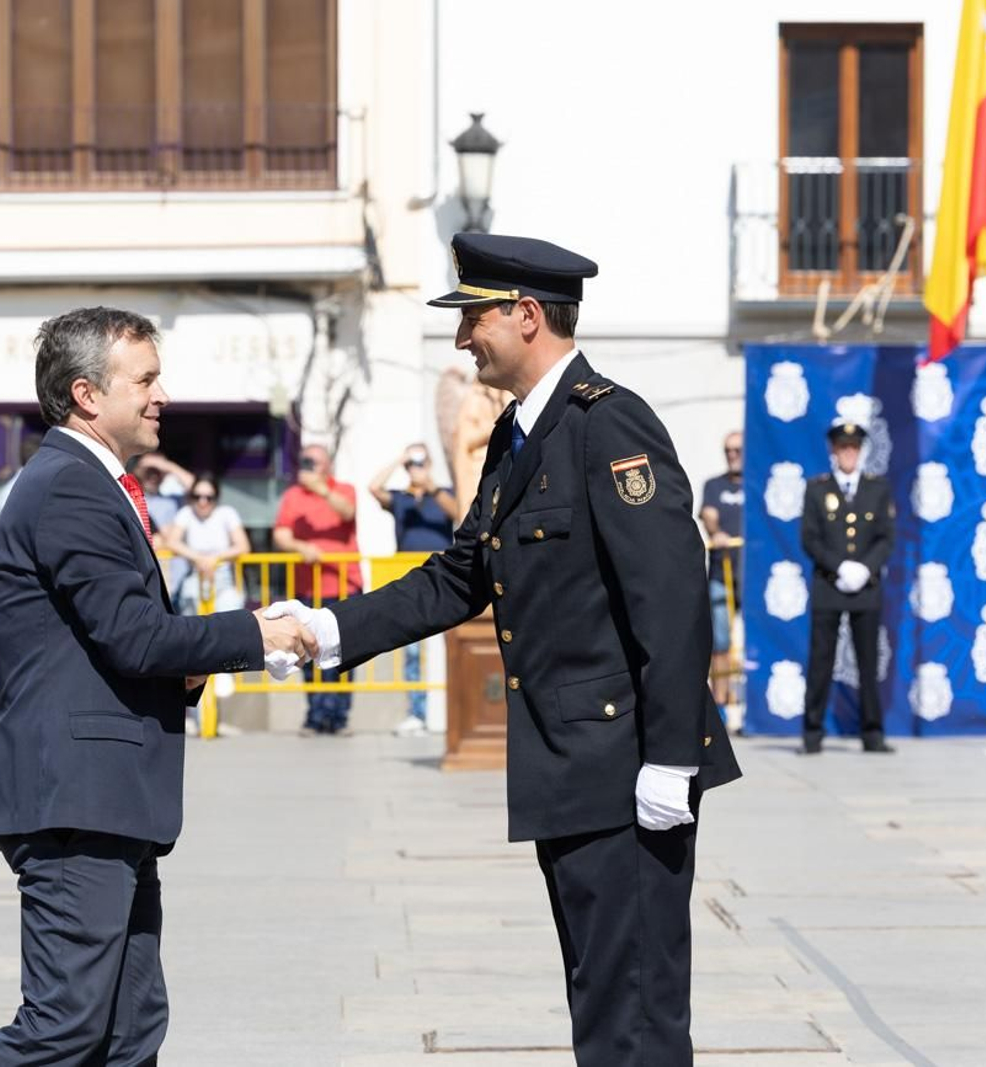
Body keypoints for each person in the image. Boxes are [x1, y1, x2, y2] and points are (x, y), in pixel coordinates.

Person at [268, 233, 742, 1066]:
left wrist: (671, 758)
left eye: (473, 318)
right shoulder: (521, 437)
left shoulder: (608, 422)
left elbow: (669, 598)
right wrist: (331, 627)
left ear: (526, 316)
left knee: (635, 1006)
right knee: (601, 994)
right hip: (574, 763)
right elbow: (461, 575)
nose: (461, 340)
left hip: (625, 764)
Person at [0, 305, 316, 1066]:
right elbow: (134, 635)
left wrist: (197, 661)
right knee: (63, 1026)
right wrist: (257, 633)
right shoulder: (68, 484)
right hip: (75, 800)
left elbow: (105, 642)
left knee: (129, 1031)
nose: (163, 396)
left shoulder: (90, 480)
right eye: (147, 379)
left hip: (107, 796)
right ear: (88, 394)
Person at [799, 420, 895, 755]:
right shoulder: (817, 489)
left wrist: (864, 568)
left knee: (868, 663)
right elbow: (809, 537)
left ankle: (872, 733)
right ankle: (812, 734)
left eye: (853, 448)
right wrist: (838, 566)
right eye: (843, 448)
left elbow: (886, 537)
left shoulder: (876, 488)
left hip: (865, 587)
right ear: (834, 451)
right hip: (830, 585)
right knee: (820, 661)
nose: (849, 453)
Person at [273, 443, 362, 735]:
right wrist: (302, 547)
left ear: (327, 466)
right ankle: (314, 716)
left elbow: (347, 512)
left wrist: (321, 489)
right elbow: (281, 535)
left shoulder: (343, 488)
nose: (307, 465)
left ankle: (339, 717)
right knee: (309, 652)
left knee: (344, 652)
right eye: (304, 461)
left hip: (344, 585)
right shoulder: (293, 496)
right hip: (308, 587)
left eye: (313, 461)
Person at [369, 444, 457, 735]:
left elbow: (457, 512)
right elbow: (373, 487)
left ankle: (451, 710)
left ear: (430, 463)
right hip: (412, 581)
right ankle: (417, 713)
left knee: (448, 648)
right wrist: (398, 458)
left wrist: (429, 485)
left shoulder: (443, 491)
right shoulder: (401, 498)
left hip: (444, 579)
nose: (415, 467)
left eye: (420, 461)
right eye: (412, 463)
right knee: (413, 651)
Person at [165, 473, 250, 736]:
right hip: (195, 579)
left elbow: (242, 546)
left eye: (208, 497)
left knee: (229, 620)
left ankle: (223, 673)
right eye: (197, 497)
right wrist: (198, 558)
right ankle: (199, 718)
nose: (203, 502)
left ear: (216, 498)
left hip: (222, 580)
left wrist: (214, 559)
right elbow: (173, 541)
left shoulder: (226, 514)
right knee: (195, 643)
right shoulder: (185, 515)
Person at [700, 431, 745, 726]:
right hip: (722, 572)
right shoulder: (714, 485)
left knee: (754, 643)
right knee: (720, 642)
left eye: (738, 450)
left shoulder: (757, 483)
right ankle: (720, 704)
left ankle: (752, 706)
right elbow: (708, 513)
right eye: (727, 450)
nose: (732, 455)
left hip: (752, 575)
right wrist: (716, 532)